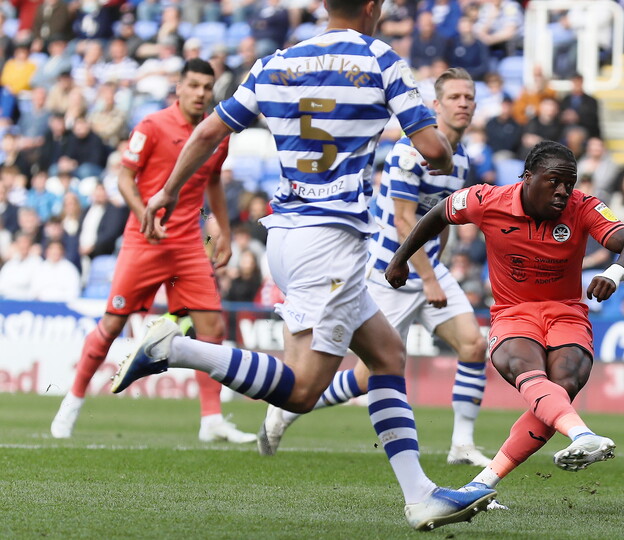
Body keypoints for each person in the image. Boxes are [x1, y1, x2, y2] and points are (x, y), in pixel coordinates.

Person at [113, 0, 495, 531]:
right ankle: (174, 347)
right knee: (300, 389)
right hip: (332, 240)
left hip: (288, 234)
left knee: (385, 355)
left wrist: (167, 193)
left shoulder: (275, 61)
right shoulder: (381, 59)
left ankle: (420, 495)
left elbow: (208, 134)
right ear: (372, 8)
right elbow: (433, 150)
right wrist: (441, 152)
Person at [384, 140, 624, 501]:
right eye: (554, 181)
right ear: (528, 178)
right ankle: (582, 435)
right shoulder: (486, 200)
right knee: (525, 367)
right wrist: (400, 259)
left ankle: (480, 485)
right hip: (513, 313)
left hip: (566, 312)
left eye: (569, 183)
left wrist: (616, 272)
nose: (563, 191)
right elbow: (437, 214)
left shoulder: (583, 206)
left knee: (565, 382)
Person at [258, 67, 493, 468]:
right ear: (435, 105)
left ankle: (461, 444)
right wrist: (430, 277)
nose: (464, 104)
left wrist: (439, 265)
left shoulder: (462, 158)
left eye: (469, 97)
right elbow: (405, 222)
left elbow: (444, 219)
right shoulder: (408, 151)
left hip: (430, 269)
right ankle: (288, 410)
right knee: (368, 376)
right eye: (455, 97)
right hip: (392, 272)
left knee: (473, 345)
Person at [49, 59, 257, 445]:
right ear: (178, 87)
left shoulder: (218, 134)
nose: (200, 93)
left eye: (206, 87)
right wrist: (143, 211)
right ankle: (72, 402)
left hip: (189, 246)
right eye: (193, 85)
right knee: (111, 326)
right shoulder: (152, 126)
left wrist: (223, 232)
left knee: (212, 328)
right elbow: (125, 176)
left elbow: (212, 182)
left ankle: (211, 420)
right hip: (144, 242)